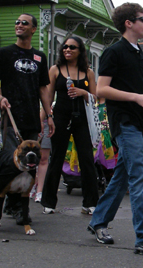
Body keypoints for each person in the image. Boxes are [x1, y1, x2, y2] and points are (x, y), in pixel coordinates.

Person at [87, 3, 143, 257]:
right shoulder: (113, 52)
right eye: (142, 19)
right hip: (124, 122)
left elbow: (142, 90)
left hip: (140, 122)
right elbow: (101, 89)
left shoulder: (142, 55)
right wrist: (137, 98)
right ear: (128, 23)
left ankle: (98, 221)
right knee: (140, 176)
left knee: (123, 176)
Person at [0, 13, 54, 225]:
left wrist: (49, 115)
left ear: (33, 29)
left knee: (30, 163)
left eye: (24, 23)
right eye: (17, 22)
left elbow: (43, 89)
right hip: (11, 117)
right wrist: (0, 98)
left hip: (32, 118)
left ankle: (14, 204)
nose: (19, 25)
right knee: (13, 161)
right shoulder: (4, 53)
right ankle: (15, 206)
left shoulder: (40, 57)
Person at [40, 36, 99, 215]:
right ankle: (49, 201)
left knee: (87, 159)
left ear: (80, 51)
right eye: (65, 47)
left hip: (82, 119)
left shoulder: (88, 72)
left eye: (72, 47)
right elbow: (48, 97)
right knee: (56, 158)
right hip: (61, 117)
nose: (67, 50)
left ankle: (90, 202)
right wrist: (44, 119)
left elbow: (96, 98)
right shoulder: (55, 70)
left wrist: (83, 92)